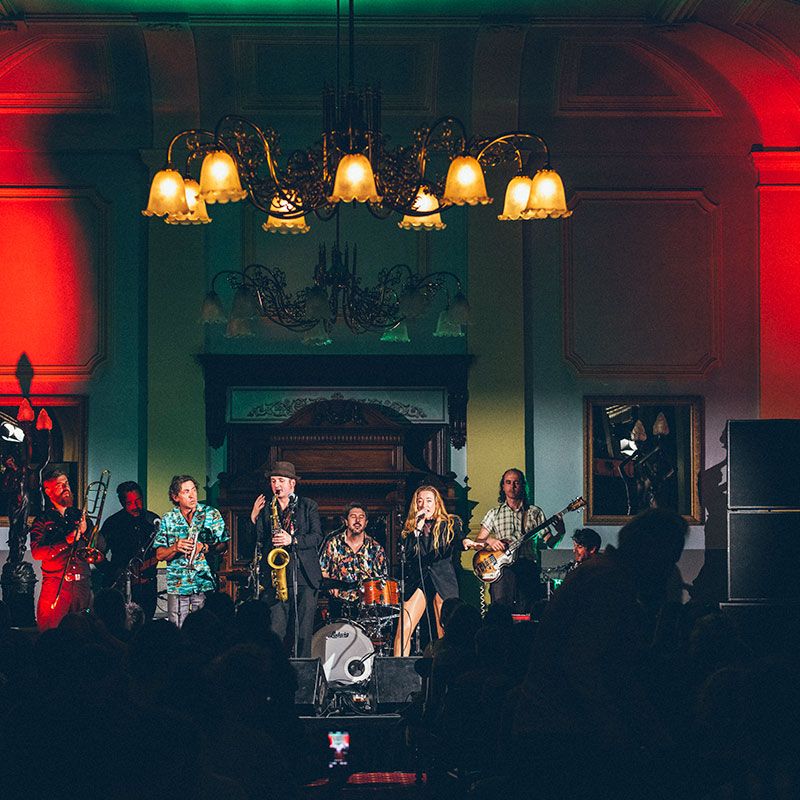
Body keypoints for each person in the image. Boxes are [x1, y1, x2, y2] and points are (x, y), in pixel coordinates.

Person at [250, 461, 322, 658]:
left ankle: (304, 677)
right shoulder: (267, 508)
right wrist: (254, 518)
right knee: (276, 631)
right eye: (273, 481)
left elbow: (317, 537)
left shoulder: (308, 506)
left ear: (292, 484)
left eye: (281, 480)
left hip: (304, 578)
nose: (276, 485)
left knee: (303, 634)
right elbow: (258, 541)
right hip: (277, 578)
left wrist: (293, 540)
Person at [393, 484, 471, 656]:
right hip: (418, 579)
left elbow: (460, 540)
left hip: (443, 579)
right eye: (420, 501)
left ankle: (446, 671)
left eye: (429, 500)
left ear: (437, 503)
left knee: (446, 632)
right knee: (404, 629)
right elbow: (406, 554)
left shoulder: (450, 522)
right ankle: (396, 675)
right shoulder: (410, 530)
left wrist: (467, 543)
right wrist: (417, 529)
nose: (424, 505)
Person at [472, 468, 564, 611]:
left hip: (527, 568)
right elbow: (478, 542)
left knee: (527, 610)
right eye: (508, 482)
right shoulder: (494, 513)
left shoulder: (534, 512)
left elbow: (551, 543)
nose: (512, 486)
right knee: (501, 610)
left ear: (523, 486)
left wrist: (561, 533)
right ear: (503, 486)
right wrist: (490, 541)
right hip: (502, 571)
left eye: (516, 483)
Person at [154, 475, 229, 628]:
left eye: (194, 490)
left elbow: (224, 544)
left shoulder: (211, 514)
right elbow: (159, 554)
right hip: (178, 584)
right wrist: (175, 547)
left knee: (203, 628)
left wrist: (205, 547)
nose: (192, 495)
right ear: (176, 497)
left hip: (203, 582)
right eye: (186, 491)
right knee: (176, 627)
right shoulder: (168, 518)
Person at [29, 469, 92, 630]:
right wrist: (66, 541)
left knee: (84, 634)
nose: (66, 488)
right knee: (52, 631)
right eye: (59, 485)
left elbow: (98, 548)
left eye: (67, 483)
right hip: (56, 586)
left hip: (82, 585)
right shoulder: (42, 520)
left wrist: (87, 533)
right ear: (48, 491)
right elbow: (37, 553)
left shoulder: (81, 516)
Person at [99, 481, 160, 622]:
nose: (136, 506)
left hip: (147, 585)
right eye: (130, 502)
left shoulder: (153, 520)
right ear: (122, 503)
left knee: (146, 623)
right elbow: (98, 554)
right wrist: (113, 571)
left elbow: (162, 551)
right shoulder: (112, 523)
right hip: (120, 586)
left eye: (138, 500)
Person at [320, 502, 387, 619]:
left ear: (366, 523)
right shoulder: (333, 543)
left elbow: (382, 579)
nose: (357, 520)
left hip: (366, 606)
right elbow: (322, 570)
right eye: (353, 516)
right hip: (338, 603)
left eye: (361, 517)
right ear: (345, 521)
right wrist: (330, 587)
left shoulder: (376, 548)